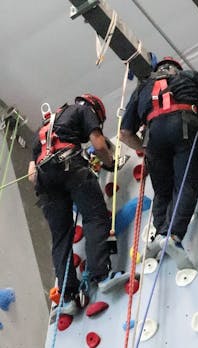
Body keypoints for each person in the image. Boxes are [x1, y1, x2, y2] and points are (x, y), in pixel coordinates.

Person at [28, 94, 131, 316]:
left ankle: (67, 297)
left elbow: (31, 176)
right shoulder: (82, 110)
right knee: (95, 217)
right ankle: (101, 274)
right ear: (94, 108)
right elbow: (98, 144)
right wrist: (110, 164)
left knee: (61, 238)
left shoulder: (42, 130)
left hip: (45, 184)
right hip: (70, 166)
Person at [120, 56, 198, 269]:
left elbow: (124, 133)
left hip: (153, 134)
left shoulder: (142, 87)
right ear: (178, 68)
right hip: (184, 125)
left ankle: (160, 233)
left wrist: (144, 149)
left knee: (163, 191)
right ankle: (172, 235)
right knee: (186, 184)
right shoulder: (192, 76)